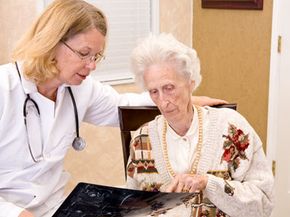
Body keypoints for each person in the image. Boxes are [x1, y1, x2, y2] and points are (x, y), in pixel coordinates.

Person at [0, 1, 227, 217]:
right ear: (51, 42)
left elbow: (124, 106)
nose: (92, 65)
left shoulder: (79, 89)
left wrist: (184, 98)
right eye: (84, 53)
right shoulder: (4, 88)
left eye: (96, 56)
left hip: (55, 208)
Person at [126, 33, 274, 217]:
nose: (163, 102)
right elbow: (130, 210)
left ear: (190, 83)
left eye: (169, 88)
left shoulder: (232, 129)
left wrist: (209, 183)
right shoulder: (142, 140)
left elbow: (264, 204)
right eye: (154, 92)